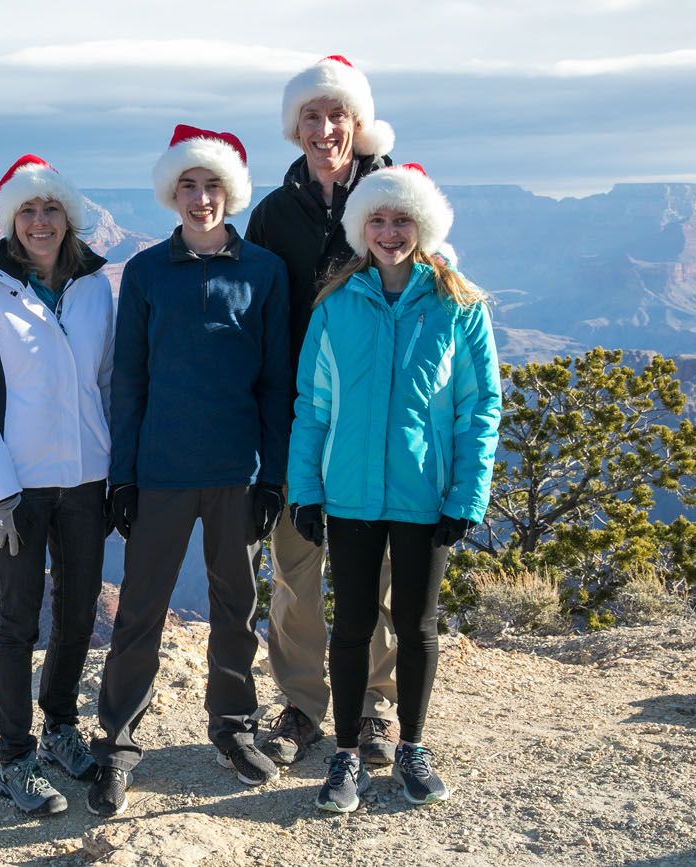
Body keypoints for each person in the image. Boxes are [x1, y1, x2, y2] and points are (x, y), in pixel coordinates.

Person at [87, 125, 291, 818]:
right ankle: (115, 743)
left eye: (212, 185)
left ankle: (233, 727)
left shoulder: (263, 271)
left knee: (237, 605)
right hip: (161, 472)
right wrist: (122, 477)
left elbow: (275, 382)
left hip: (236, 470)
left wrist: (274, 476)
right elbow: (129, 382)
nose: (201, 198)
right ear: (172, 193)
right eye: (188, 186)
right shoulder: (146, 272)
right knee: (140, 610)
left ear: (230, 191)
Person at [287, 163, 501, 812]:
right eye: (377, 219)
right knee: (351, 624)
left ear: (423, 226)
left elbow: (480, 405)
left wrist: (467, 495)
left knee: (416, 624)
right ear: (361, 228)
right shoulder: (335, 305)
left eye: (401, 219)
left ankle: (411, 747)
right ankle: (346, 753)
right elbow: (313, 405)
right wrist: (304, 489)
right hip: (348, 493)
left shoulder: (458, 308)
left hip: (424, 495)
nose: (388, 231)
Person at [244, 54, 401, 767]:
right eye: (311, 115)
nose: (325, 127)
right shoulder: (273, 214)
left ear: (357, 122)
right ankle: (304, 704)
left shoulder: (395, 194)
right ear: (295, 126)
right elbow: (255, 318)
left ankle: (376, 704)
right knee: (296, 563)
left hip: (372, 412)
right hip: (298, 417)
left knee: (375, 566)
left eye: (337, 113)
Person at [0, 154, 115, 816]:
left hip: (86, 480)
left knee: (78, 613)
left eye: (50, 209)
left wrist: (116, 473)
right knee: (18, 619)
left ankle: (60, 729)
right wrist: (0, 489)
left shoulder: (96, 288)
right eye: (27, 210)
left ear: (66, 216)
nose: (40, 221)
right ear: (9, 221)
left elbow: (106, 383)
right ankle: (15, 759)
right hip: (17, 486)